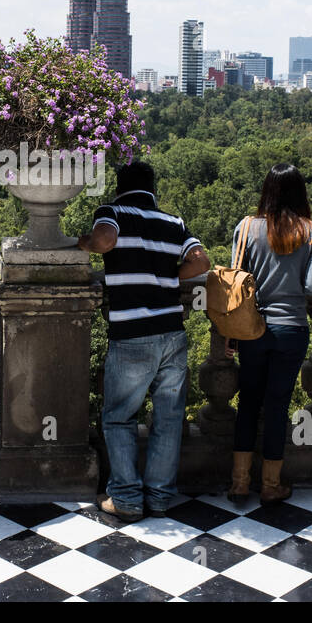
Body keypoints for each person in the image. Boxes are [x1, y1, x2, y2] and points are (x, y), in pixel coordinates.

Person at [79, 160, 209, 522]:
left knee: (119, 417)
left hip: (133, 333)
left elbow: (104, 241)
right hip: (172, 332)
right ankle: (160, 497)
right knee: (167, 419)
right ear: (153, 189)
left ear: (121, 188)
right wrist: (167, 275)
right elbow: (200, 261)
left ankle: (126, 497)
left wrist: (84, 242)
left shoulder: (112, 211)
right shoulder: (173, 222)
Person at [227, 163, 312, 505]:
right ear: (301, 192)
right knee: (277, 405)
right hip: (292, 329)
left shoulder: (246, 228)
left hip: (253, 329)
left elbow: (236, 282)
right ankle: (270, 485)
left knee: (248, 403)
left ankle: (239, 483)